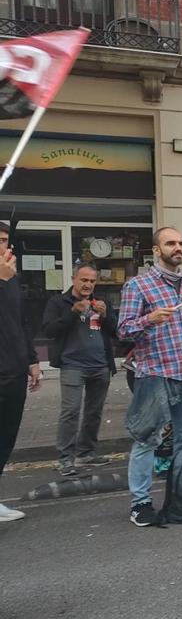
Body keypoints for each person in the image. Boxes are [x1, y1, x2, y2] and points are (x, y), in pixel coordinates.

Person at [118, 227, 182, 526]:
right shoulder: (138, 286)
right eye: (170, 243)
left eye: (181, 243)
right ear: (156, 250)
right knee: (147, 439)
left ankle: (181, 494)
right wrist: (149, 318)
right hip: (155, 374)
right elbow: (123, 330)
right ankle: (141, 503)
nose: (178, 248)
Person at [41, 262, 116, 476]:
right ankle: (65, 459)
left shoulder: (101, 302)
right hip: (73, 365)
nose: (88, 285)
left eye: (92, 281)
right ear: (74, 279)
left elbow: (116, 332)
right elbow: (49, 331)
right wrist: (72, 312)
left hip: (100, 365)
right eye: (84, 280)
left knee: (94, 412)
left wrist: (106, 316)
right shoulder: (58, 302)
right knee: (70, 412)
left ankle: (87, 453)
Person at [0, 223, 42, 523]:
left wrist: (32, 360)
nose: (5, 247)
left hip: (13, 369)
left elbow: (22, 322)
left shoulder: (12, 278)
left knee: (6, 437)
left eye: (6, 241)